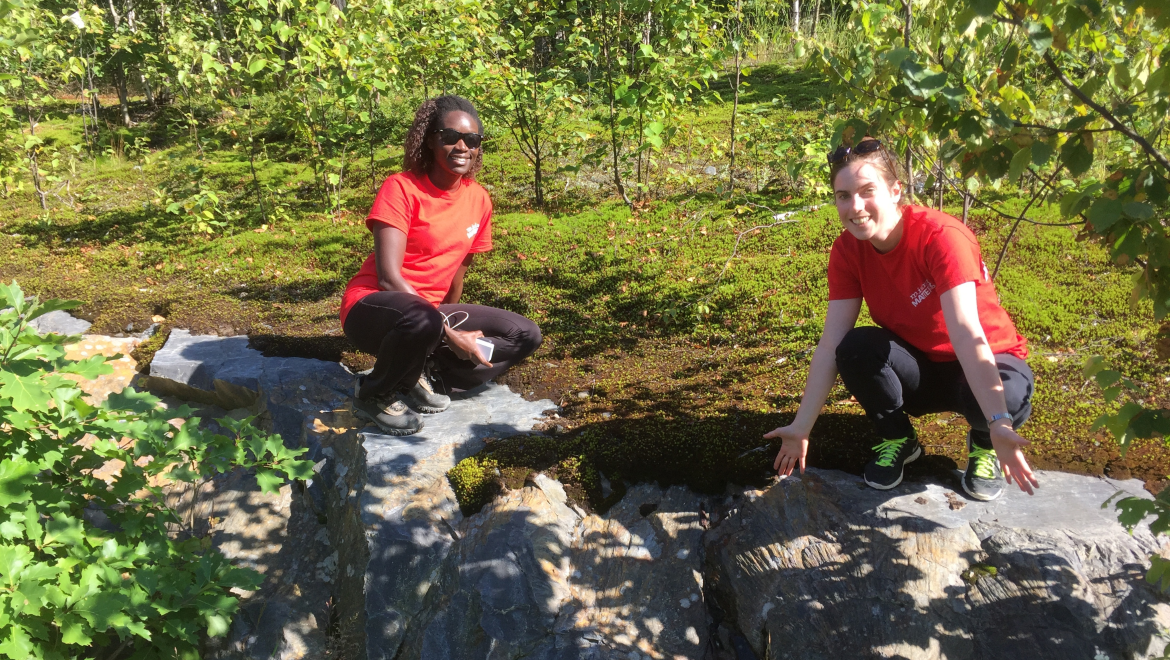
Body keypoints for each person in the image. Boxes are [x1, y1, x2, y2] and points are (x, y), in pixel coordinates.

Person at [765, 138, 1039, 501]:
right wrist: (801, 427)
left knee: (1012, 397)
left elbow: (965, 333)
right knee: (855, 348)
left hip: (985, 360)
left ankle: (986, 441)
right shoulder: (848, 251)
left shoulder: (941, 237)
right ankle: (898, 437)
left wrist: (1000, 422)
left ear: (896, 191)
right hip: (921, 368)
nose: (855, 207)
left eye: (867, 191)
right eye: (843, 196)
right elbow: (831, 343)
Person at [339, 95, 542, 435]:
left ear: (479, 148)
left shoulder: (479, 199)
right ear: (430, 140)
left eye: (472, 140)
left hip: (430, 316)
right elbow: (389, 279)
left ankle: (421, 373)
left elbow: (457, 274)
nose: (462, 146)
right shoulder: (401, 188)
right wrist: (448, 333)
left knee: (525, 335)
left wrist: (445, 329)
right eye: (450, 137)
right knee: (423, 319)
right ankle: (374, 393)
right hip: (374, 309)